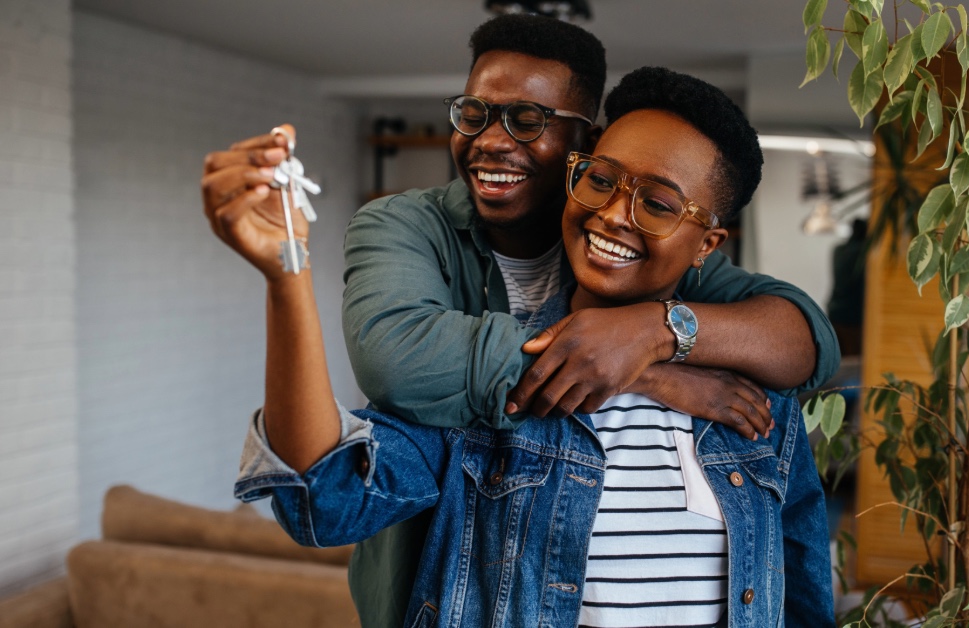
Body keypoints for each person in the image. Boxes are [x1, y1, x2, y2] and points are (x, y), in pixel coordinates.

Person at [200, 14, 839, 626]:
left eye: (658, 203)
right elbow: (325, 499)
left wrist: (650, 334)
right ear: (580, 176)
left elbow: (803, 594)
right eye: (604, 182)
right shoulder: (494, 406)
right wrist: (286, 277)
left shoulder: (753, 410)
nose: (616, 215)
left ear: (707, 246)